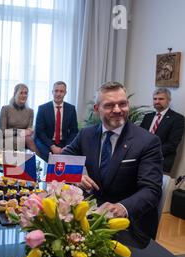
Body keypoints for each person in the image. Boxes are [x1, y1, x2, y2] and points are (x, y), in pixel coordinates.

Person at [62, 82, 163, 241]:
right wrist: (76, 174)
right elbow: (63, 157)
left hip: (129, 226)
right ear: (97, 109)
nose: (117, 110)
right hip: (90, 216)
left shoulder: (148, 142)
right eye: (109, 105)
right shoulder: (86, 135)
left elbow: (151, 190)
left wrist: (122, 208)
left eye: (122, 104)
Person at [140, 88, 184, 173]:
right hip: (142, 160)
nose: (157, 101)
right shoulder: (147, 117)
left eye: (161, 99)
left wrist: (150, 153)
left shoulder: (177, 119)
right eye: (155, 99)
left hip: (161, 162)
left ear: (169, 100)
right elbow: (140, 137)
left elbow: (172, 144)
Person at [34, 81, 78, 162]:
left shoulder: (71, 109)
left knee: (68, 158)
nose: (58, 94)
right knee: (50, 158)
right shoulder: (43, 108)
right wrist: (52, 146)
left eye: (61, 91)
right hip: (46, 141)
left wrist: (67, 147)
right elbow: (40, 132)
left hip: (64, 142)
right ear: (52, 92)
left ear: (65, 93)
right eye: (56, 91)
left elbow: (74, 131)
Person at [0, 83, 37, 152]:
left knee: (28, 138)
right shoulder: (6, 109)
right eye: (21, 93)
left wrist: (28, 132)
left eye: (26, 93)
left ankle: (37, 159)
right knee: (27, 139)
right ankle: (39, 160)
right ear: (15, 94)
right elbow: (2, 132)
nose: (24, 95)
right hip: (7, 138)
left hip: (24, 139)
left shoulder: (30, 111)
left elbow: (28, 131)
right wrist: (20, 132)